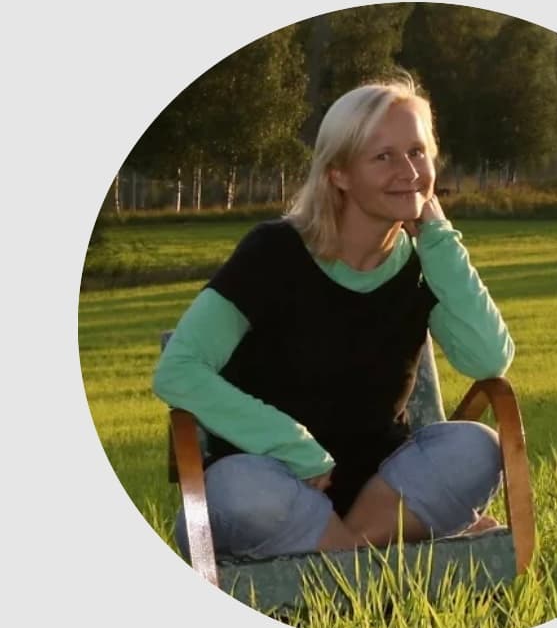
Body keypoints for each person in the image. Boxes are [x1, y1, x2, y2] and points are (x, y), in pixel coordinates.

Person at [153, 75, 515, 562]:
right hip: (272, 484)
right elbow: (178, 370)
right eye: (383, 156)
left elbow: (487, 360)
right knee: (239, 490)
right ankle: (381, 558)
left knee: (478, 448)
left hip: (385, 491)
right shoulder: (273, 252)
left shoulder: (428, 262)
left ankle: (344, 553)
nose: (408, 171)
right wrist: (293, 446)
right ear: (339, 173)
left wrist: (439, 238)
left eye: (417, 152)